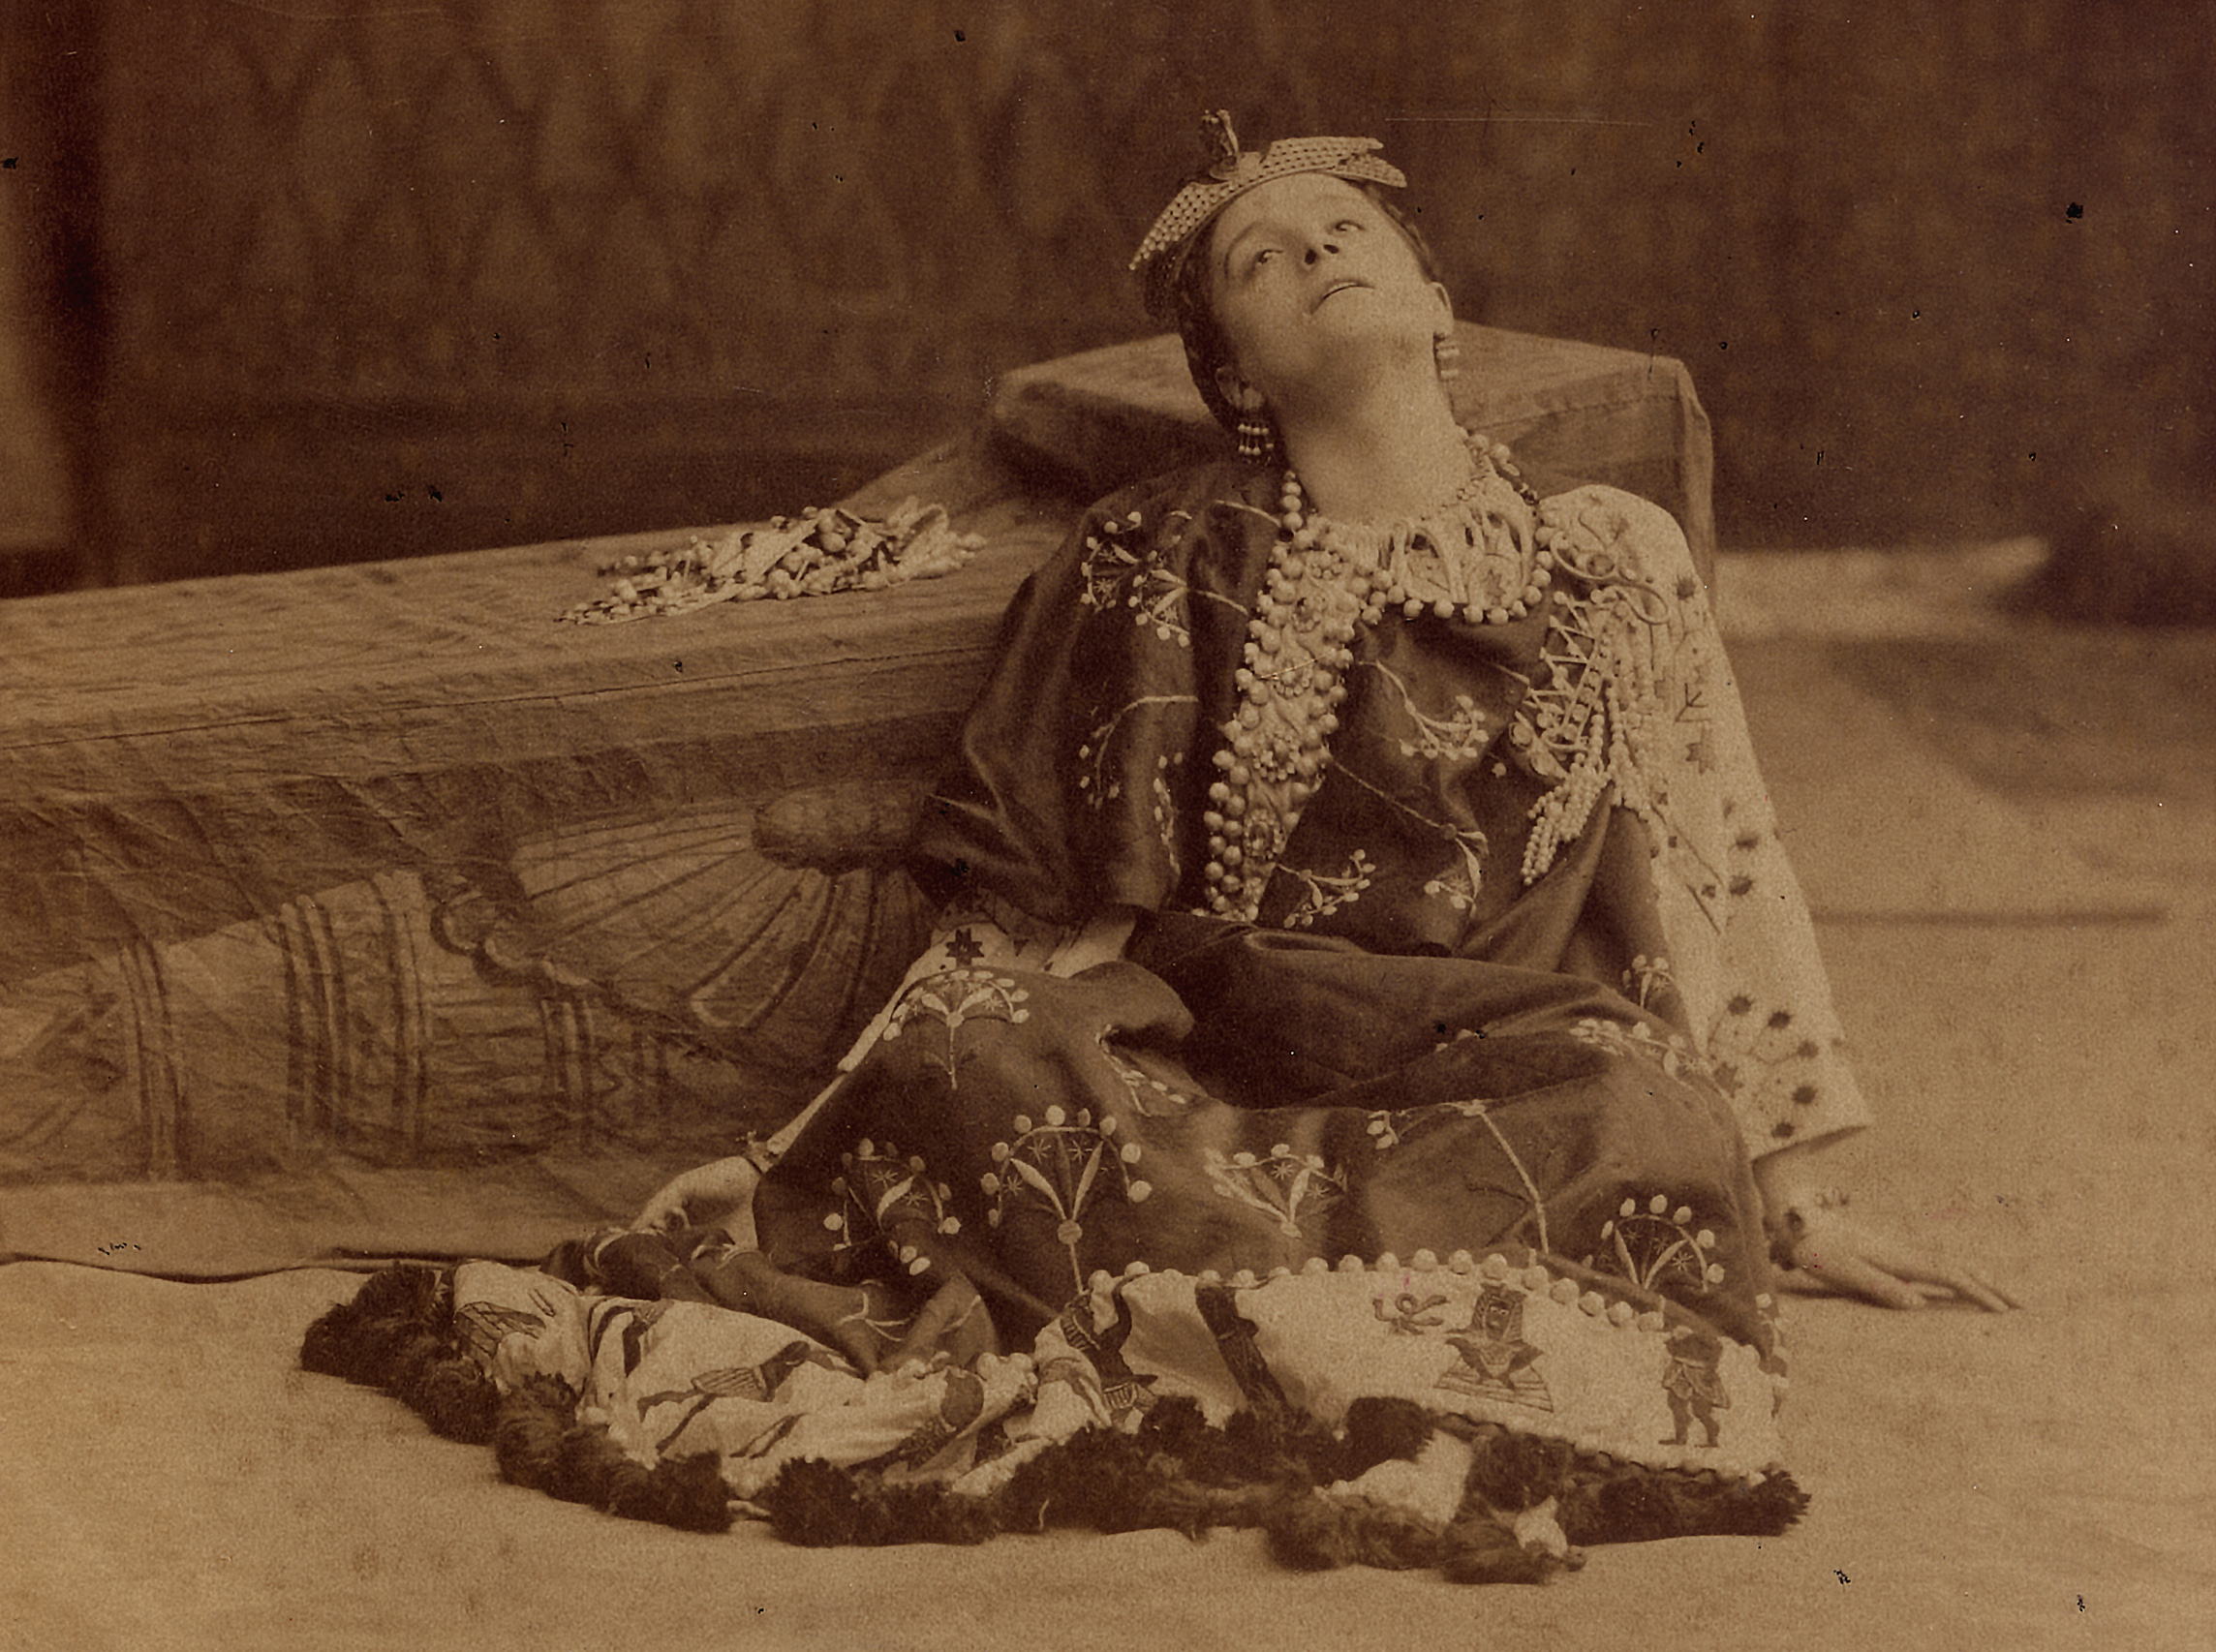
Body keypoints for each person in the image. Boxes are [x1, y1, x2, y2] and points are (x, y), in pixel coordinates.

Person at [568, 112, 2013, 1567]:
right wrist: (793, 1149)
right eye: (1258, 261)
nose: (1313, 251)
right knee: (978, 1042)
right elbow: (1026, 908)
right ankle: (1351, 1350)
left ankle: (1265, 1336)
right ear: (1236, 373)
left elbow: (1712, 849)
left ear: (1435, 300)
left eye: (1346, 230)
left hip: (1499, 1057)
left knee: (1644, 1098)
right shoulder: (1158, 551)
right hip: (1217, 1054)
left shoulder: (1612, 552)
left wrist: (1788, 1194)